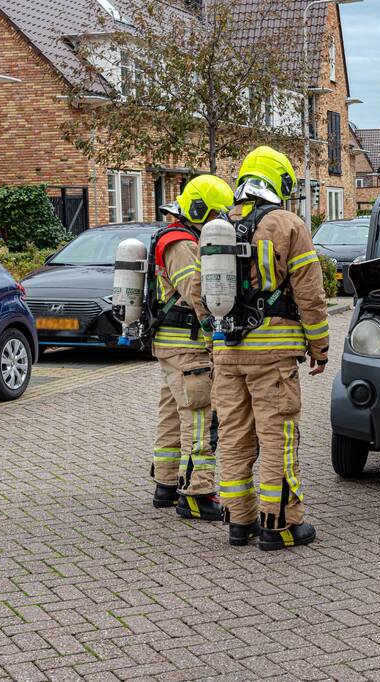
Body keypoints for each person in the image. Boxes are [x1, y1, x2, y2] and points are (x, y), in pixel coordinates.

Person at [211, 146, 330, 550]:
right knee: (278, 436)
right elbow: (310, 293)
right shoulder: (287, 224)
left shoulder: (220, 223)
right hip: (273, 354)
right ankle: (278, 525)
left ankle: (238, 522)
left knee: (233, 436)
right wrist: (320, 345)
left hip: (225, 353)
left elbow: (204, 293)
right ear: (278, 183)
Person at [150, 176, 233, 521]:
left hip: (171, 345)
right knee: (199, 415)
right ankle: (198, 492)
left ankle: (167, 484)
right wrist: (217, 334)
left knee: (172, 413)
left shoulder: (173, 236)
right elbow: (196, 293)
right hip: (187, 346)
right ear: (200, 208)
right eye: (214, 213)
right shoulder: (182, 244)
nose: (219, 220)